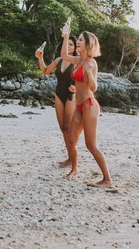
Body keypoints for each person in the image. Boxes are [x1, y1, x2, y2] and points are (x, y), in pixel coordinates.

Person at [60, 30, 112, 187]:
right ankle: (74, 168)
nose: (78, 42)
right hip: (79, 105)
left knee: (91, 145)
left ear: (88, 44)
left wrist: (89, 74)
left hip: (89, 105)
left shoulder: (90, 63)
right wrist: (66, 36)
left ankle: (107, 179)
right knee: (71, 139)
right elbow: (63, 55)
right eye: (78, 40)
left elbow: (94, 88)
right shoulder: (78, 60)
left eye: (81, 40)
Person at [34, 36, 78, 168]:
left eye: (71, 44)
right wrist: (40, 58)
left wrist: (77, 88)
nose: (69, 46)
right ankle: (69, 157)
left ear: (75, 47)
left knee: (68, 128)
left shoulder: (77, 61)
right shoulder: (59, 60)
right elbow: (45, 71)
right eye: (67, 44)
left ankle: (73, 158)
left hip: (72, 94)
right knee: (63, 128)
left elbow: (84, 77)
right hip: (59, 93)